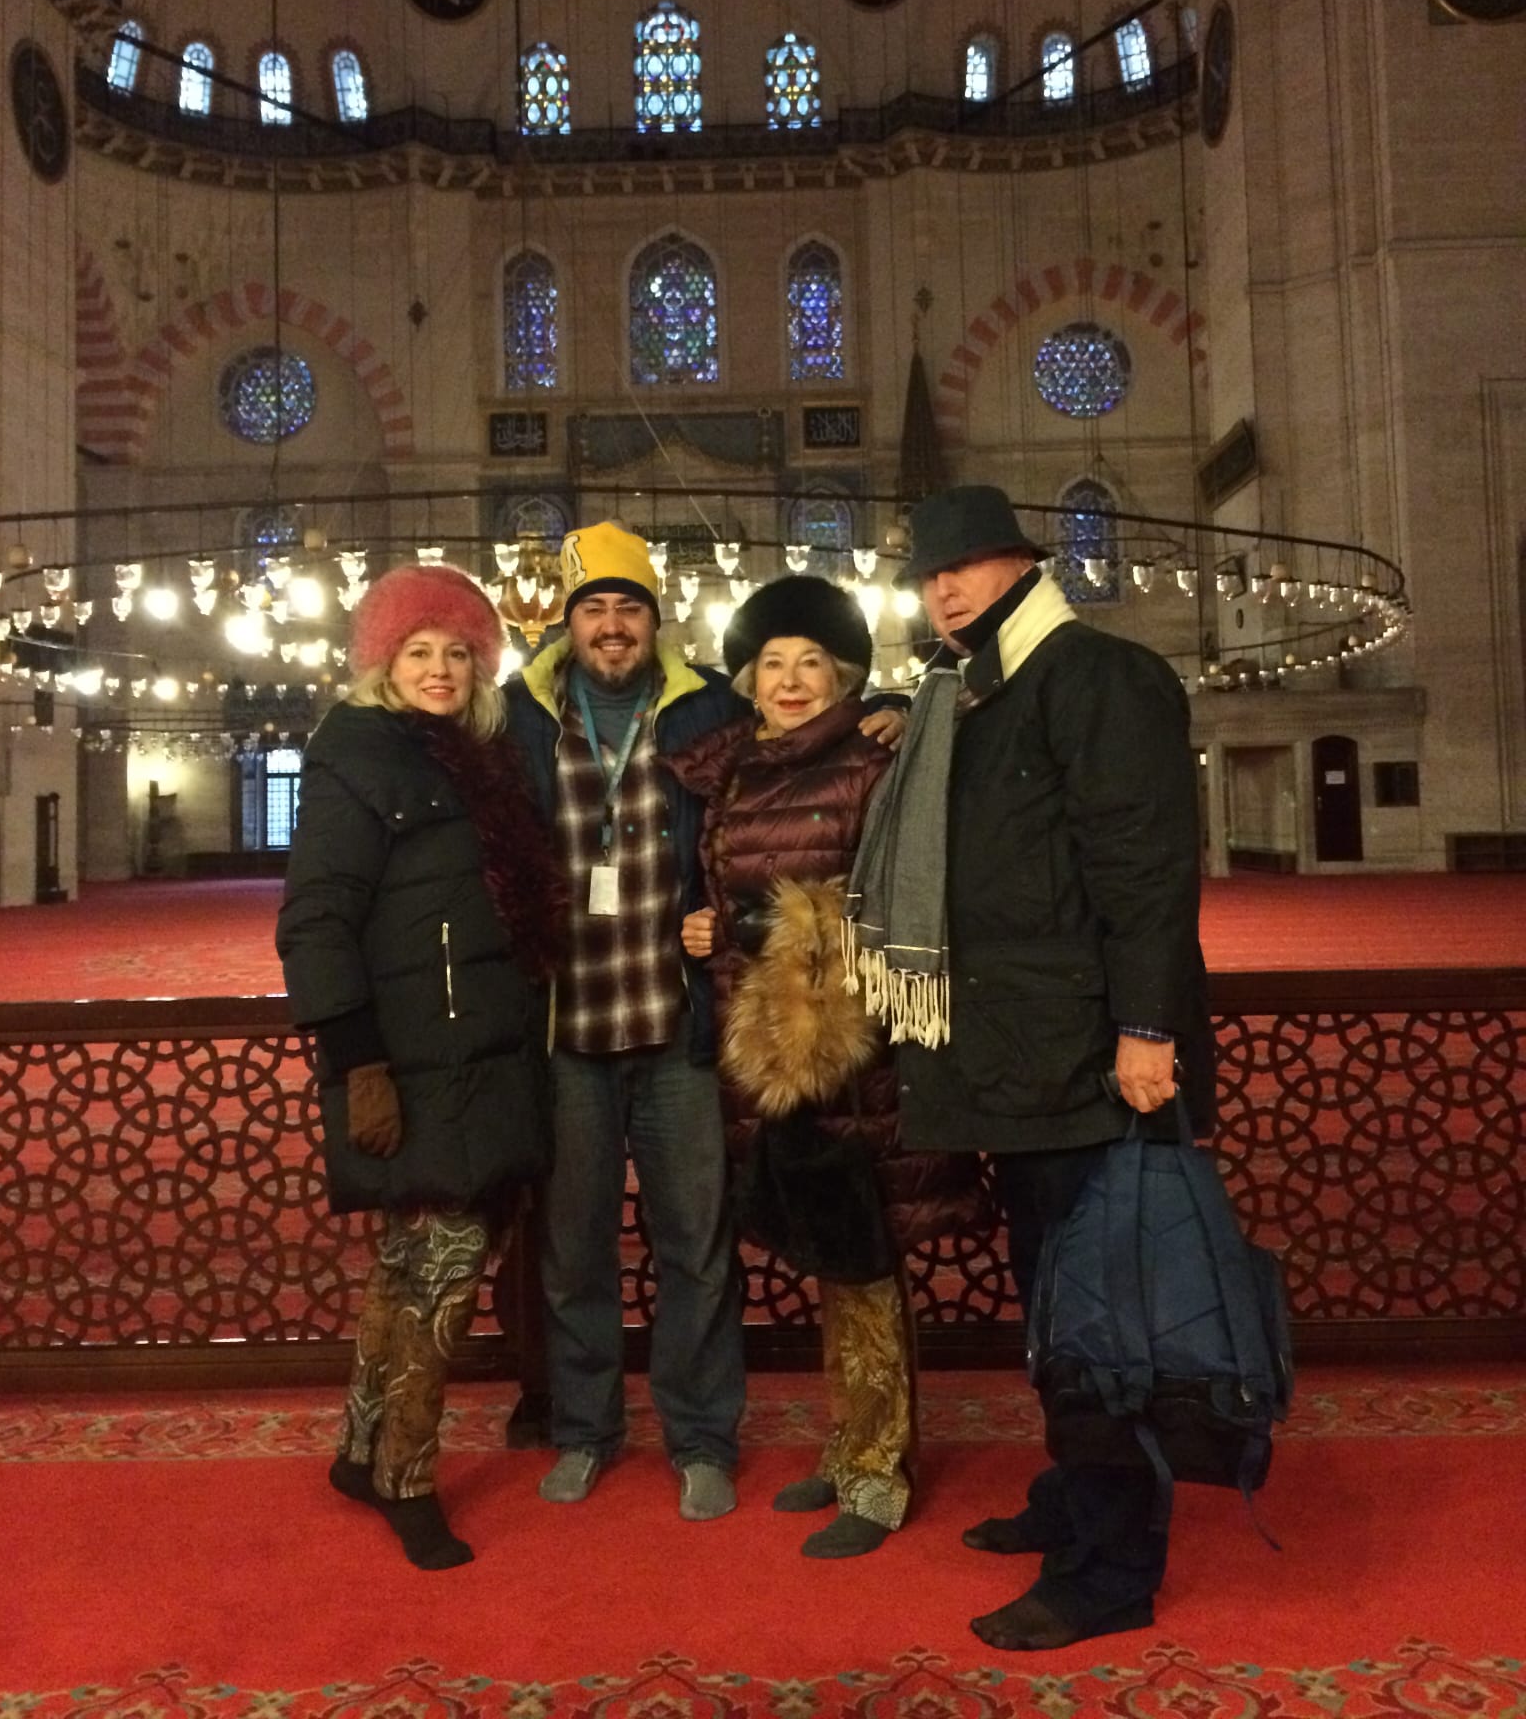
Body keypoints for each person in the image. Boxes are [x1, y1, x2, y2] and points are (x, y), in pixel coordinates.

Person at [844, 484, 1213, 1650]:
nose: (942, 590)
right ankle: (1075, 1498)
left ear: (1021, 565)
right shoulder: (973, 691)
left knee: (1101, 1321)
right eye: (928, 575)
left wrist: (1147, 1028)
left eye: (963, 567)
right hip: (1018, 1058)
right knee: (1056, 1303)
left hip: (1093, 1062)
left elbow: (1146, 867)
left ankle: (1110, 1567)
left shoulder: (1098, 678)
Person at [666, 575, 984, 1559]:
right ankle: (849, 1444)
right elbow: (726, 894)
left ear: (845, 676)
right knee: (826, 1259)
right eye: (774, 663)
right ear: (749, 680)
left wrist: (760, 925)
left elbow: (900, 900)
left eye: (812, 662)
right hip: (766, 1048)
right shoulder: (730, 771)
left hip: (856, 1053)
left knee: (864, 1258)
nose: (792, 679)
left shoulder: (874, 761)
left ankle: (880, 1474)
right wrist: (709, 929)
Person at [277, 562, 562, 1571]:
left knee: (411, 1265)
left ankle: (360, 1450)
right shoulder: (359, 757)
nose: (439, 668)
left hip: (480, 1049)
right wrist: (358, 1061)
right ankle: (406, 1475)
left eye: (457, 652)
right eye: (418, 650)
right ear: (382, 662)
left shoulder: (475, 757)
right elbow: (315, 920)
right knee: (442, 1271)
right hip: (414, 1059)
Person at [506, 520, 751, 1521]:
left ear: (657, 620)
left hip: (675, 1026)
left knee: (697, 1244)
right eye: (595, 608)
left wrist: (891, 712)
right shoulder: (517, 717)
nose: (613, 625)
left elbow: (787, 779)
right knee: (575, 1251)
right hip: (568, 1032)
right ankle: (584, 1429)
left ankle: (702, 1436)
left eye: (630, 607)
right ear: (567, 623)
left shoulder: (709, 709)